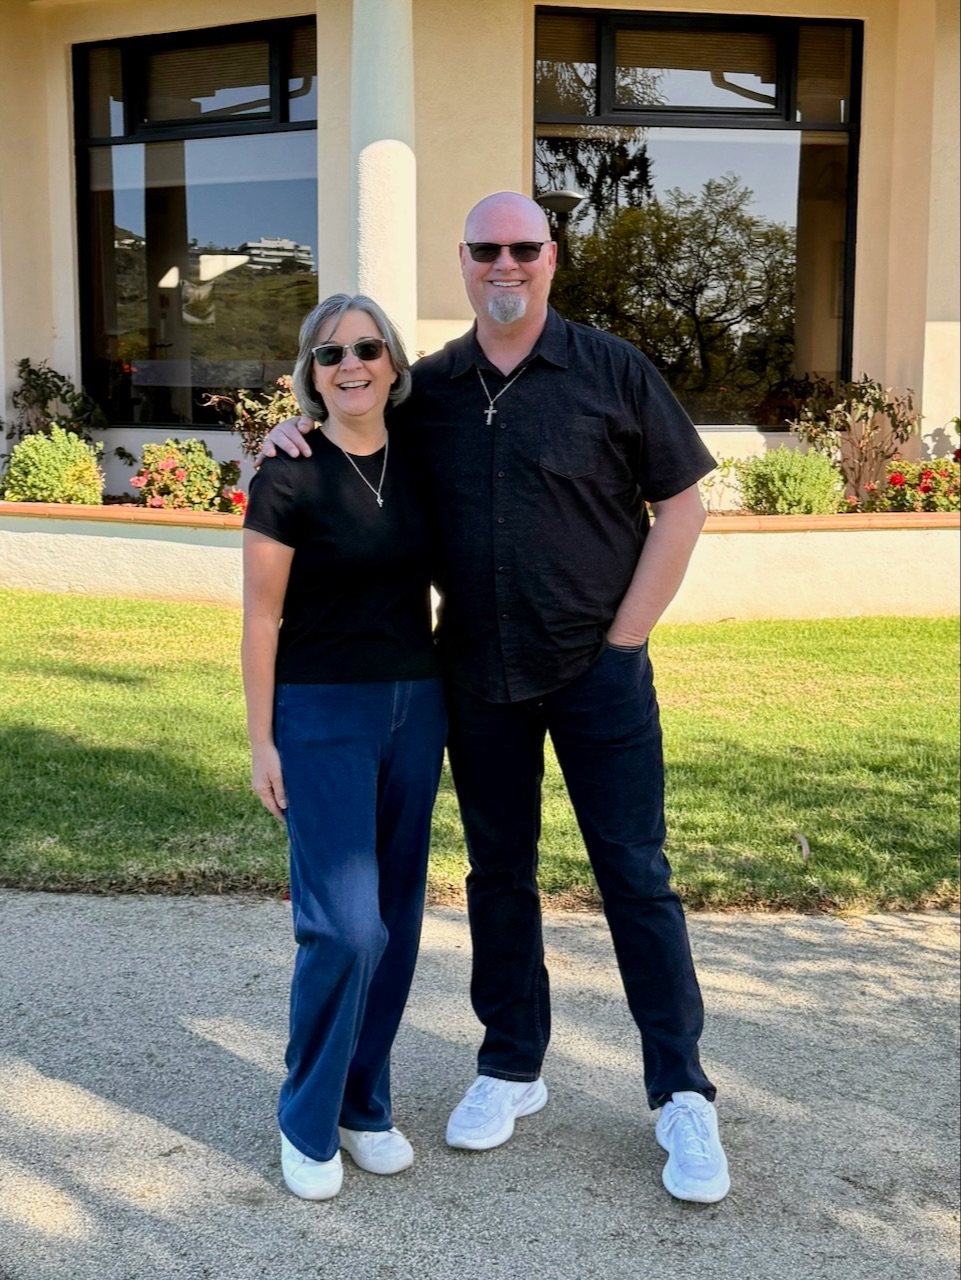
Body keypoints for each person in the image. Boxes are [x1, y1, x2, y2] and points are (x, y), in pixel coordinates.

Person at [261, 193, 731, 1204]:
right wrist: (284, 432)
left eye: (524, 247)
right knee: (498, 875)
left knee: (635, 876)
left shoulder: (612, 370)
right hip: (473, 675)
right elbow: (347, 416)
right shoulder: (427, 385)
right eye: (486, 249)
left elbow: (682, 506)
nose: (504, 263)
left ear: (550, 258)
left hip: (596, 672)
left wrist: (626, 640)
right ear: (463, 262)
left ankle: (679, 1091)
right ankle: (512, 1064)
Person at [242, 293, 447, 1200]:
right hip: (321, 712)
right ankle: (305, 1114)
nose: (350, 365)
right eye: (330, 355)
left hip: (418, 704)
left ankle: (365, 1103)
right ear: (308, 373)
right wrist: (261, 742)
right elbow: (259, 617)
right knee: (344, 924)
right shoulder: (286, 472)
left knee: (395, 921)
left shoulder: (425, 458)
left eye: (367, 348)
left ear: (394, 363)